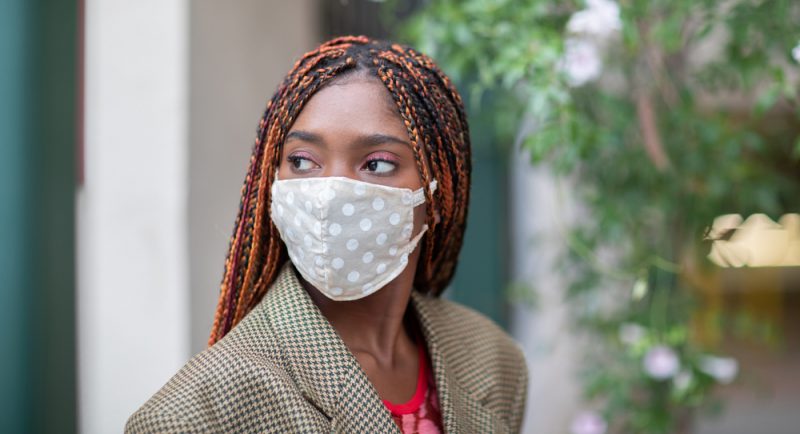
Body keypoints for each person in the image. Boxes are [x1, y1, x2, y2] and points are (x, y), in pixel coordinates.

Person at [125, 35, 528, 433]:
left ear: (440, 192)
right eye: (302, 161)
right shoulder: (195, 414)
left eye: (378, 164)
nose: (330, 193)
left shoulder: (493, 359)